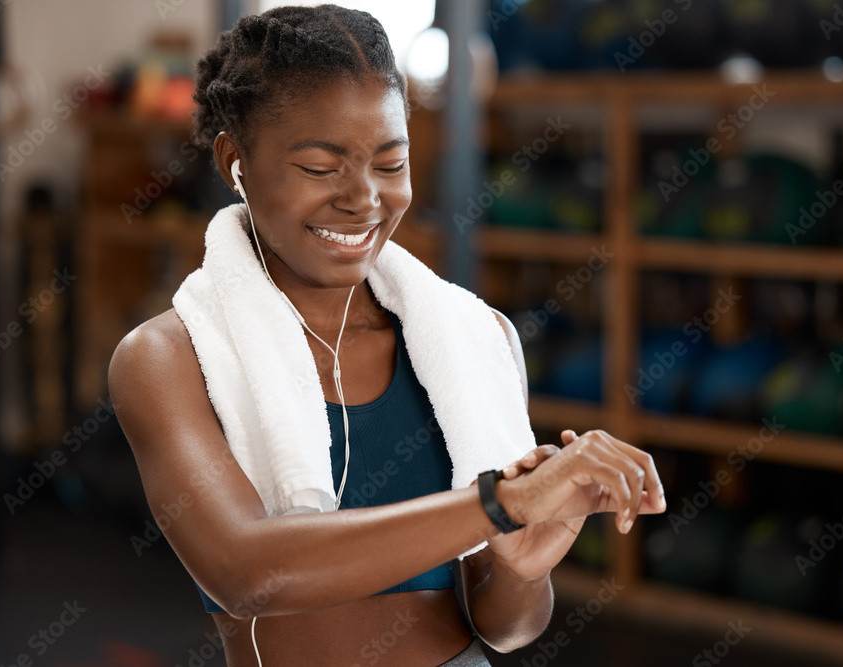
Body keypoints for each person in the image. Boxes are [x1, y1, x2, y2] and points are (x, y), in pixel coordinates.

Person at [107, 5, 666, 667]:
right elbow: (245, 572)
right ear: (236, 161)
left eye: (390, 163)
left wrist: (522, 565)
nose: (364, 198)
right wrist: (501, 502)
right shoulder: (168, 358)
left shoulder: (476, 338)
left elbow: (507, 626)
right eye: (321, 166)